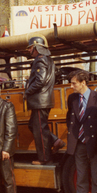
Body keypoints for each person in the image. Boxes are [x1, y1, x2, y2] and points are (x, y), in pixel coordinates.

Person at [66, 70, 97, 193]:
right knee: (81, 182)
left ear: (83, 83)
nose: (71, 86)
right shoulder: (72, 98)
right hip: (79, 145)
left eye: (74, 83)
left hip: (95, 146)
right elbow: (71, 117)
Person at [24, 35, 65, 165]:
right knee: (34, 126)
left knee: (39, 130)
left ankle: (44, 158)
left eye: (30, 47)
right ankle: (55, 141)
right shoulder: (49, 60)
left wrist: (27, 92)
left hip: (39, 101)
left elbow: (40, 81)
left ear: (36, 47)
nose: (28, 50)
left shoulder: (39, 60)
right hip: (44, 100)